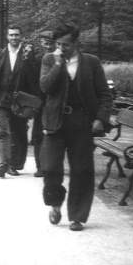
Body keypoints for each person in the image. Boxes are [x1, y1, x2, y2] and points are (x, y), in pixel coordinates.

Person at [39, 22, 113, 231]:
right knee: (51, 168)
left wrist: (100, 118)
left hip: (81, 122)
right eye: (59, 44)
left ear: (76, 43)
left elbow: (105, 95)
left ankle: (77, 217)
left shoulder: (91, 62)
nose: (62, 48)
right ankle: (55, 203)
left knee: (81, 170)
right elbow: (45, 87)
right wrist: (57, 65)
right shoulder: (48, 59)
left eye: (66, 45)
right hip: (55, 122)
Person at [0, 25, 40, 178]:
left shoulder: (27, 55)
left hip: (21, 101)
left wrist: (34, 102)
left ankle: (14, 164)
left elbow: (34, 78)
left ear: (21, 37)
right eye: (12, 35)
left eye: (17, 35)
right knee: (2, 132)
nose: (14, 38)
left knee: (19, 132)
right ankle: (2, 165)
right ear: (7, 37)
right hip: (2, 99)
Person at [30, 30, 56, 177]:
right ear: (41, 42)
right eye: (45, 41)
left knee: (55, 136)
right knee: (38, 135)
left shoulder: (61, 58)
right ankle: (40, 167)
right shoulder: (36, 59)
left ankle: (52, 165)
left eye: (51, 41)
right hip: (40, 102)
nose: (48, 44)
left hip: (56, 103)